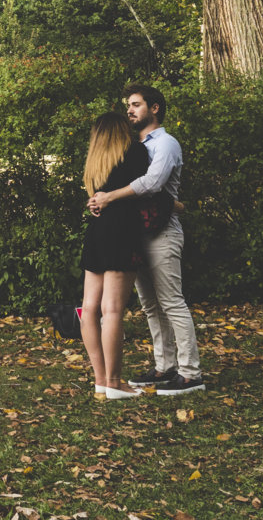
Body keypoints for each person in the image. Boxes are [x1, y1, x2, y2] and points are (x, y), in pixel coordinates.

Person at [90, 84, 204, 395]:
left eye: (136, 104)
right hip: (135, 233)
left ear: (154, 108)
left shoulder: (166, 144)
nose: (129, 110)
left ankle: (191, 373)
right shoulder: (130, 145)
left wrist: (110, 197)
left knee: (171, 301)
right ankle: (164, 366)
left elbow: (153, 184)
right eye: (128, 105)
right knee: (150, 305)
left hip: (163, 231)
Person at [80, 112, 150, 400]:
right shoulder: (134, 152)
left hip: (97, 231)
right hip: (122, 230)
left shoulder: (95, 162)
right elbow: (147, 188)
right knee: (112, 310)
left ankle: (100, 380)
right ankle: (115, 382)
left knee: (88, 308)